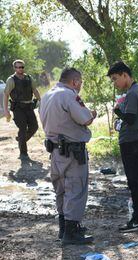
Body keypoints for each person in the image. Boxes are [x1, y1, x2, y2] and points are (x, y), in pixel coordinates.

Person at [39, 68, 96, 245]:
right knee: (76, 189)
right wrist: (92, 114)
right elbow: (85, 118)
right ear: (75, 82)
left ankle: (64, 228)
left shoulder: (47, 95)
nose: (79, 87)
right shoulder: (69, 95)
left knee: (61, 189)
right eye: (80, 83)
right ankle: (71, 232)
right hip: (72, 152)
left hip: (55, 150)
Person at [107, 61, 138, 232]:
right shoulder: (137, 90)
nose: (115, 83)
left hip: (131, 142)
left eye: (115, 79)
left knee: (134, 181)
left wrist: (117, 111)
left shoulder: (132, 93)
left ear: (125, 75)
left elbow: (130, 119)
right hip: (135, 140)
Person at [3, 60, 41, 159]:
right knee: (23, 129)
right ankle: (23, 153)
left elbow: (35, 90)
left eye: (22, 67)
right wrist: (6, 111)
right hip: (18, 108)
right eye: (18, 67)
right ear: (14, 68)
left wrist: (42, 102)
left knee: (34, 127)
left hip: (29, 107)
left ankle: (21, 139)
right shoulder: (11, 80)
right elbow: (6, 95)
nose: (20, 69)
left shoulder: (29, 78)